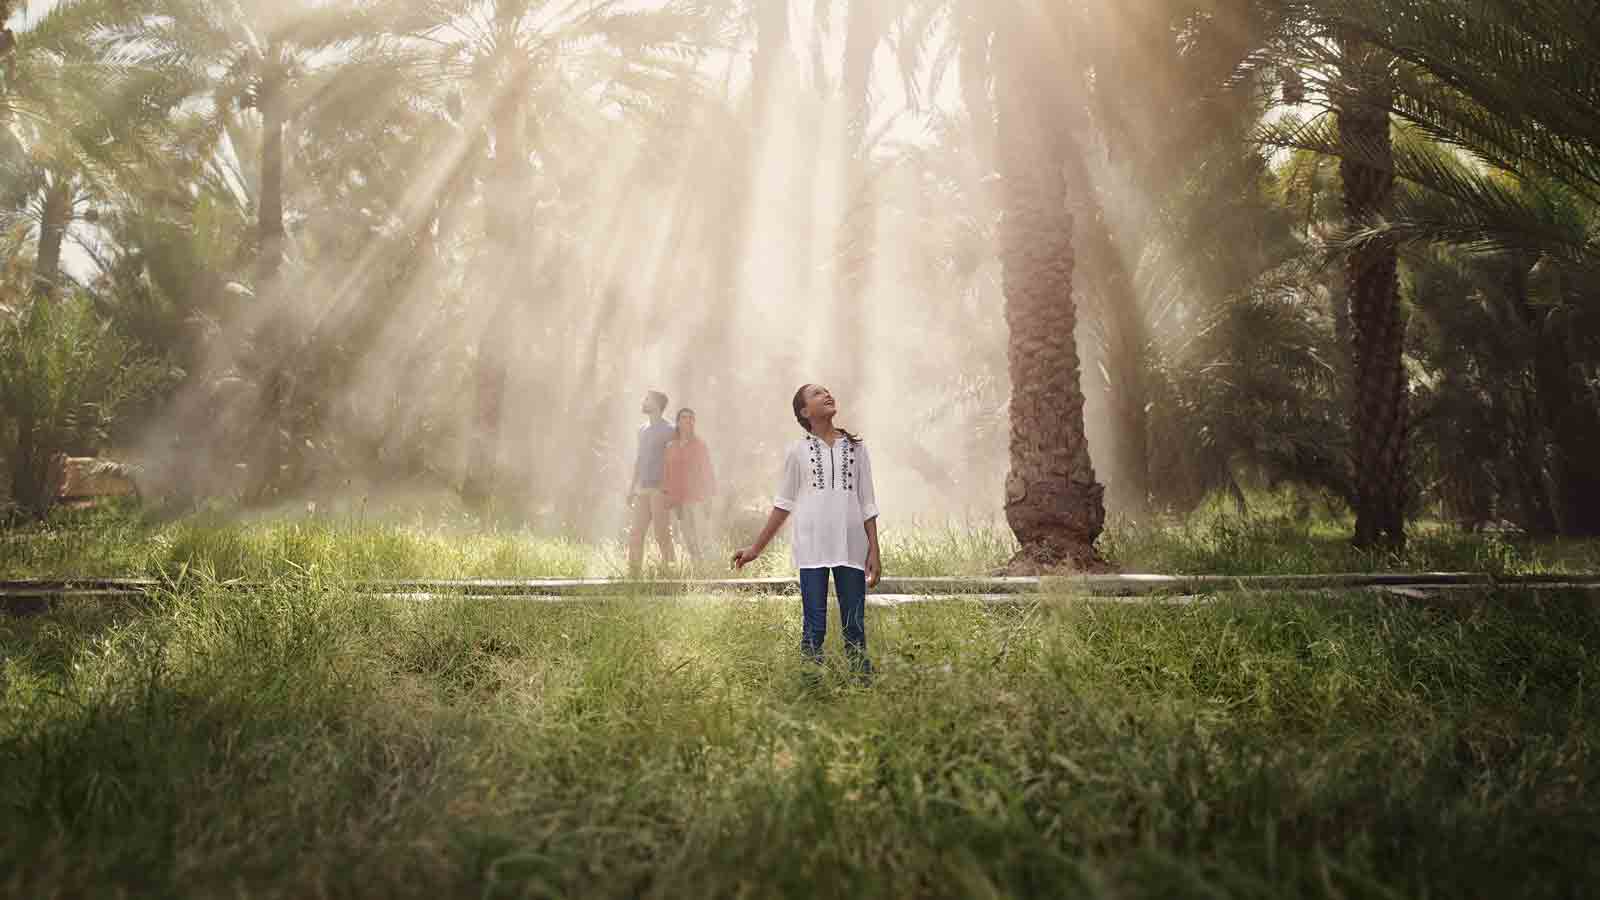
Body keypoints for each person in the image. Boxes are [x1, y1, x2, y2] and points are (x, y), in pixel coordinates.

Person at [732, 384, 880, 675]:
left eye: (827, 391)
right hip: (812, 547)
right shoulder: (798, 451)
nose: (827, 395)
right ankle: (811, 686)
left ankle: (861, 684)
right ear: (804, 411)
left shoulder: (856, 448)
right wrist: (755, 549)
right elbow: (783, 504)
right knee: (814, 624)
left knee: (854, 624)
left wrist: (874, 549)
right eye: (816, 394)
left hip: (851, 547)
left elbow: (867, 502)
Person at [628, 390, 677, 577]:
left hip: (660, 489)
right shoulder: (642, 430)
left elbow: (676, 462)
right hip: (643, 489)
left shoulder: (670, 430)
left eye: (646, 399)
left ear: (656, 404)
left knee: (662, 533)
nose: (643, 401)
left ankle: (671, 573)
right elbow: (639, 460)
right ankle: (633, 575)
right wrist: (631, 488)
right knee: (635, 533)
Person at [664, 407, 715, 564]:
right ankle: (697, 568)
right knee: (687, 538)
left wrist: (709, 497)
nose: (688, 420)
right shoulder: (670, 447)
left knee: (702, 535)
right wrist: (668, 497)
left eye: (691, 418)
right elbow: (667, 473)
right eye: (684, 417)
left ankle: (709, 568)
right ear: (678, 422)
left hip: (697, 498)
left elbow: (707, 470)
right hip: (679, 500)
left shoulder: (699, 445)